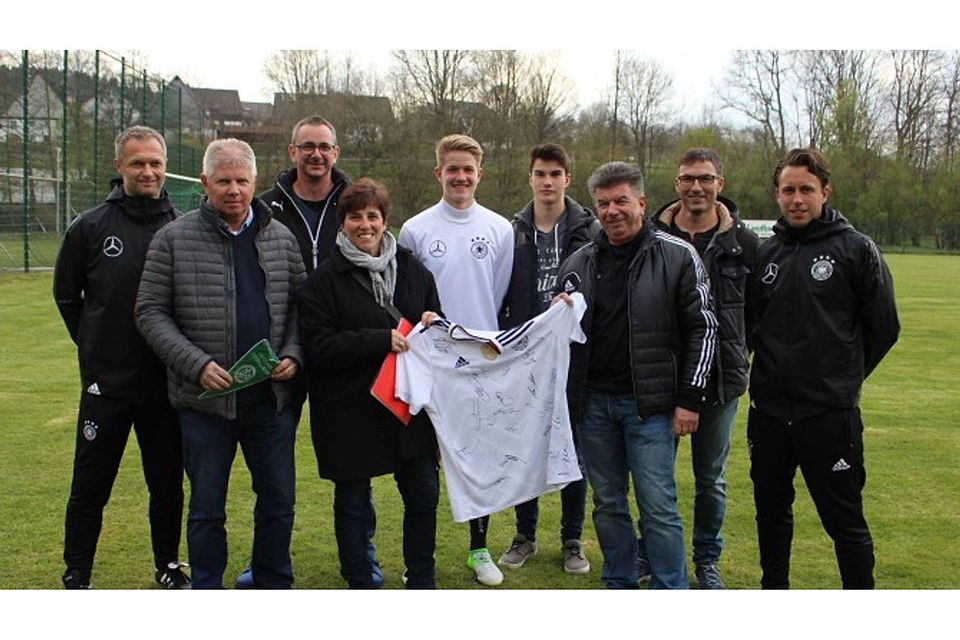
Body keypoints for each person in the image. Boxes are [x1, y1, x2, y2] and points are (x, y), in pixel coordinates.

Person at [136, 138, 305, 589]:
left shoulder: (280, 237)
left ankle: (271, 582)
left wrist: (292, 352)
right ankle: (207, 588)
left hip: (270, 402)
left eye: (242, 181)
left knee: (277, 501)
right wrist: (195, 364)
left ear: (255, 182)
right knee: (207, 507)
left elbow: (299, 309)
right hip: (204, 403)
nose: (234, 190)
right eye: (224, 181)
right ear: (206, 183)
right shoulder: (172, 238)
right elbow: (149, 311)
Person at [557, 161, 717, 589]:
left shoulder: (677, 255)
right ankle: (620, 582)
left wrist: (690, 399)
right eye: (603, 203)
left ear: (642, 203)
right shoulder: (579, 261)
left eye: (621, 201)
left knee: (657, 505)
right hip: (593, 406)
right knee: (607, 503)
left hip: (651, 407)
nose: (612, 211)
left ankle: (670, 588)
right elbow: (557, 334)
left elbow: (704, 328)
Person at [747, 148, 899, 589]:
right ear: (777, 194)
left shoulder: (855, 248)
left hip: (829, 415)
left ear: (824, 192)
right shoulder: (766, 252)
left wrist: (841, 378)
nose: (797, 199)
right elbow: (752, 324)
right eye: (788, 190)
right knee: (771, 515)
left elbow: (884, 328)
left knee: (844, 520)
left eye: (806, 190)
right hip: (770, 413)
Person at [242, 116, 379, 589]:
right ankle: (266, 560)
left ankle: (363, 553)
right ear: (292, 151)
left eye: (324, 146)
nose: (316, 154)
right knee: (272, 470)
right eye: (307, 147)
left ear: (336, 152)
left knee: (357, 464)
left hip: (343, 355)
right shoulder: (266, 207)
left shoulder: (354, 202)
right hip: (282, 350)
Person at [53, 125, 188, 590]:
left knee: (167, 484)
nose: (147, 171)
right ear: (119, 167)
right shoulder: (90, 227)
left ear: (165, 165)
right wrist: (95, 348)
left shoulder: (183, 226)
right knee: (90, 486)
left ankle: (168, 566)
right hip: (106, 386)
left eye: (154, 162)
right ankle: (77, 574)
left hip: (165, 385)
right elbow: (67, 297)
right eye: (137, 163)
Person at [297, 178, 441, 589]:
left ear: (384, 220)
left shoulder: (414, 270)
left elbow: (435, 327)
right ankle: (359, 579)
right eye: (355, 216)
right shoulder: (322, 281)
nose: (365, 224)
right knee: (354, 502)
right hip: (350, 410)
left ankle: (421, 577)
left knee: (424, 495)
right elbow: (318, 346)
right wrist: (378, 340)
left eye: (372, 216)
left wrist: (434, 323)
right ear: (342, 224)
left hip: (407, 408)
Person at [398, 133, 513, 586]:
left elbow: (497, 293)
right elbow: (409, 295)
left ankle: (479, 549)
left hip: (480, 363)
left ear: (479, 174)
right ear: (439, 173)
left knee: (479, 463)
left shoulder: (500, 228)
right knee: (424, 466)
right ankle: (419, 561)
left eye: (468, 169)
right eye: (452, 169)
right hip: (430, 363)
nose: (460, 176)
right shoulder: (415, 229)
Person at [641, 148, 758, 588]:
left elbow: (756, 314)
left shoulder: (744, 245)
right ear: (676, 184)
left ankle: (707, 560)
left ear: (720, 185)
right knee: (655, 478)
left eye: (705, 179)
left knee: (711, 479)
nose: (696, 187)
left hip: (720, 383)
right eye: (688, 178)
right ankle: (649, 552)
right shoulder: (650, 238)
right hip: (662, 379)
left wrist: (735, 354)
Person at [496, 142, 599, 575]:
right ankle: (525, 535)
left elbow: (601, 289)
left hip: (574, 355)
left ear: (567, 179)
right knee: (526, 446)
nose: (547, 181)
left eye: (556, 173)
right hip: (526, 357)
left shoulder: (588, 229)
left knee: (572, 448)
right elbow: (499, 290)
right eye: (540, 173)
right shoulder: (513, 230)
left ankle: (572, 539)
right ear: (531, 177)